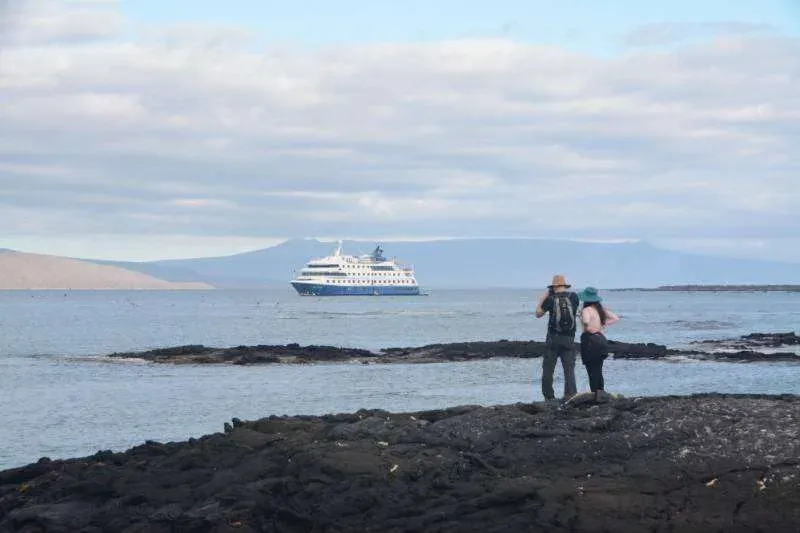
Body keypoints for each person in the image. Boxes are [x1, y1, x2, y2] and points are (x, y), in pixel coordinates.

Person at [535, 275, 580, 401]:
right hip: (569, 338)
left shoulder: (550, 299)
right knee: (569, 369)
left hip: (553, 338)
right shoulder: (574, 297)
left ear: (553, 287)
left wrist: (543, 297)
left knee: (548, 369)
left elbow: (538, 313)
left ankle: (549, 397)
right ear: (565, 285)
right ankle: (570, 396)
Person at [576, 286, 619, 402]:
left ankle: (595, 395)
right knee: (598, 370)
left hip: (589, 341)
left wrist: (587, 326)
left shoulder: (586, 310)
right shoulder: (600, 310)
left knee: (591, 371)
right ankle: (601, 394)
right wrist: (602, 325)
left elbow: (585, 321)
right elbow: (615, 318)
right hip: (601, 340)